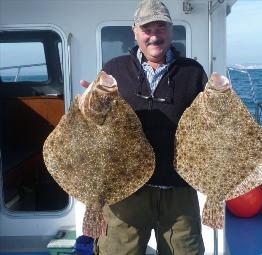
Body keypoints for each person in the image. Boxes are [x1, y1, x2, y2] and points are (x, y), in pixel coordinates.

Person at [81, 0, 207, 254]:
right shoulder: (114, 69)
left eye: (161, 27)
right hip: (124, 188)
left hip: (178, 188)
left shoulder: (192, 72)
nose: (154, 36)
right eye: (147, 29)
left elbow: (207, 127)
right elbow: (93, 127)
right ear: (135, 32)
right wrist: (87, 106)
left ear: (170, 30)